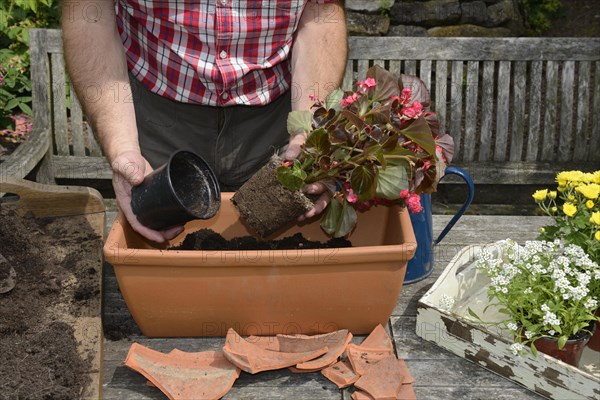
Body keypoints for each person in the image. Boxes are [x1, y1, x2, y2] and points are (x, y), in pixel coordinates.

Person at [61, 1, 348, 242]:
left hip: (276, 120)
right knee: (168, 265)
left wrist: (308, 132)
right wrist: (123, 148)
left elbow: (321, 16)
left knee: (278, 267)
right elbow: (90, 13)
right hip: (157, 117)